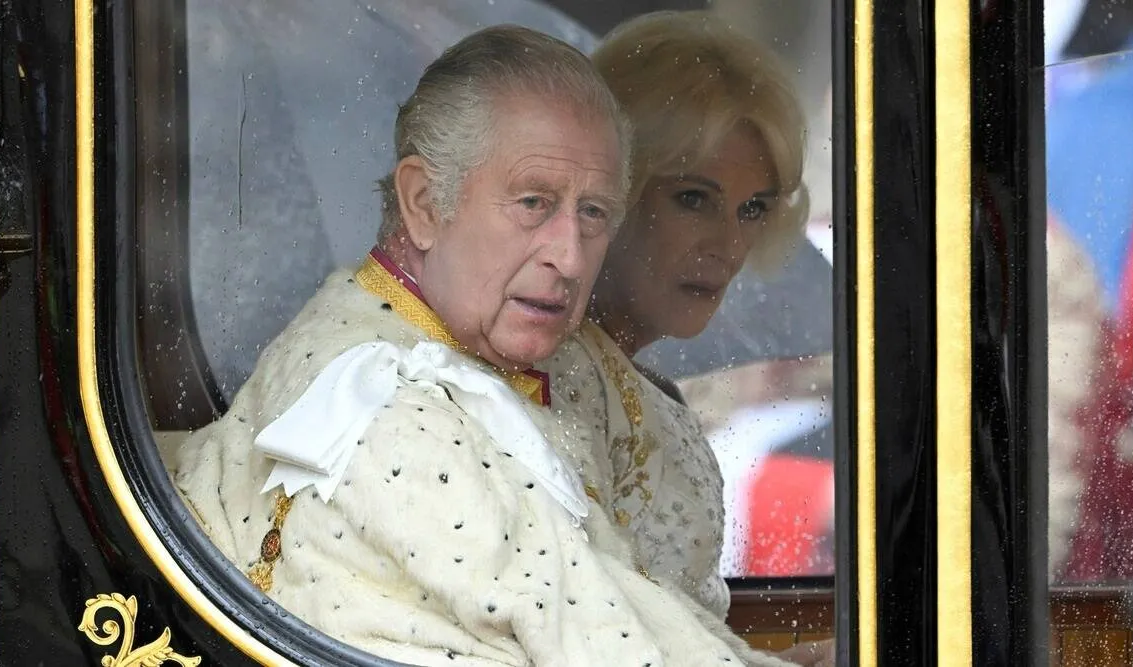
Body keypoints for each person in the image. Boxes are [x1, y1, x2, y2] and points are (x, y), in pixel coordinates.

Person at [174, 24, 792, 667]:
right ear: (422, 203)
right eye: (534, 203)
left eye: (594, 214)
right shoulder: (389, 411)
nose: (571, 257)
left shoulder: (541, 358)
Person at [542, 12, 831, 665]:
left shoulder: (640, 387)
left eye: (753, 208)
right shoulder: (539, 383)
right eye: (695, 199)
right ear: (613, 188)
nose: (729, 245)